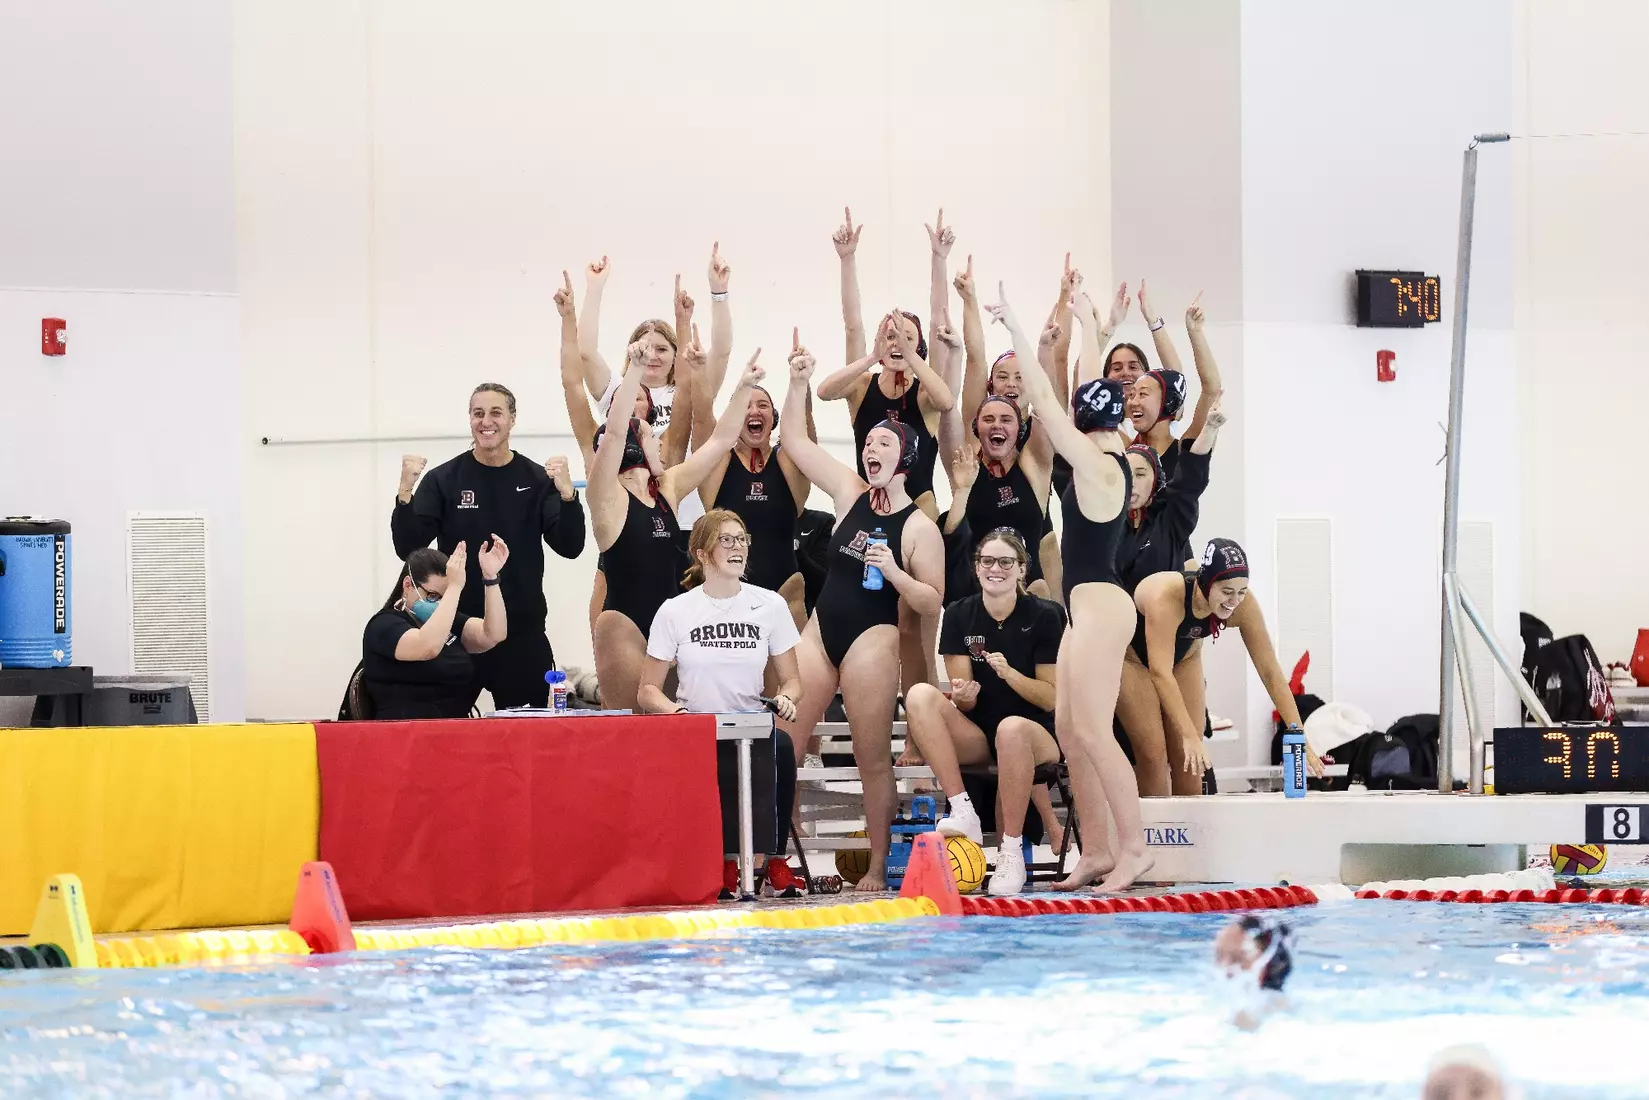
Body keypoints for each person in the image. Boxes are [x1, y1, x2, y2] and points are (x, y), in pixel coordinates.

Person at [983, 276, 1152, 893]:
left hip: (1104, 608)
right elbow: (1076, 397)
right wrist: (1089, 325)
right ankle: (1099, 850)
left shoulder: (1101, 465)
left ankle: (1134, 848)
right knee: (1071, 732)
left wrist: (1016, 331)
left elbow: (1047, 406)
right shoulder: (1104, 455)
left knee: (1095, 732)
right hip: (1088, 609)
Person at [781, 333, 945, 892]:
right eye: (868, 441)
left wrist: (897, 574)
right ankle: (777, 851)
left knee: (872, 757)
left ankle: (877, 867)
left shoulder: (920, 528)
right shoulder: (850, 492)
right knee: (784, 740)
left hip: (873, 637)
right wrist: (799, 382)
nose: (870, 450)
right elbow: (795, 441)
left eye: (883, 444)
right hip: (822, 630)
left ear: (904, 460)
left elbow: (932, 600)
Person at [587, 339, 763, 712]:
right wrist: (634, 369)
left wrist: (743, 387)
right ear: (633, 448)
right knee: (635, 732)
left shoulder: (666, 488)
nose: (662, 447)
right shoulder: (607, 500)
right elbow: (615, 433)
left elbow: (720, 441)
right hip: (623, 625)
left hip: (670, 622)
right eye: (652, 439)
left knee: (671, 734)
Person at [822, 208, 957, 690]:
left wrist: (939, 259)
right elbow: (832, 372)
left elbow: (945, 395)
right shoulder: (862, 388)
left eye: (906, 338)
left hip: (916, 504)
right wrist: (847, 258)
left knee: (912, 622)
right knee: (866, 611)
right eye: (891, 336)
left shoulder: (925, 393)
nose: (896, 342)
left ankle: (919, 709)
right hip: (867, 504)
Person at [639, 509, 806, 898]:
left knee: (780, 747)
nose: (737, 547)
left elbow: (793, 681)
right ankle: (724, 863)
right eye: (726, 540)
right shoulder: (675, 610)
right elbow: (647, 690)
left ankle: (774, 860)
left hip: (750, 724)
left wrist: (786, 699)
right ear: (702, 553)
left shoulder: (769, 606)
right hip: (696, 726)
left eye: (741, 538)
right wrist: (678, 715)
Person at [392, 384, 585, 709]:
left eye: (496, 412)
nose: (486, 421)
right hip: (458, 631)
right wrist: (404, 493)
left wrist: (568, 496)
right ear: (470, 420)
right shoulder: (444, 480)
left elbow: (570, 545)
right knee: (443, 739)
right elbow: (407, 547)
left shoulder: (537, 479)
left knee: (527, 744)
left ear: (512, 419)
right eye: (478, 413)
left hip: (521, 635)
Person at [903, 529, 1066, 896]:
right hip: (980, 734)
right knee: (919, 696)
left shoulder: (1045, 616)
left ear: (1022, 569)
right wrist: (965, 697)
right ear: (977, 569)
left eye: (1006, 562)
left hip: (1035, 733)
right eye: (987, 561)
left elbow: (1049, 698)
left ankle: (1011, 852)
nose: (996, 568)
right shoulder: (960, 614)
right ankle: (963, 809)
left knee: (1010, 729)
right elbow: (965, 699)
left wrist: (1009, 674)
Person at [577, 250, 731, 627]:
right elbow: (584, 352)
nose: (654, 356)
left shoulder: (688, 389)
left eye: (663, 349)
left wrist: (711, 301)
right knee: (612, 612)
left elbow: (722, 352)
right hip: (624, 520)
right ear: (631, 356)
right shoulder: (618, 392)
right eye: (645, 349)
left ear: (676, 354)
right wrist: (594, 288)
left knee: (685, 625)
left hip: (680, 514)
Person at [1123, 538, 1324, 795]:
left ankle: (1192, 832)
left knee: (1190, 761)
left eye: (1241, 591)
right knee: (1153, 754)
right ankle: (1153, 832)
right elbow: (1160, 672)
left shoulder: (1243, 605)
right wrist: (1189, 734)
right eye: (1227, 591)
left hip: (1184, 657)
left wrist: (1298, 734)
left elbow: (1270, 673)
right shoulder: (1167, 596)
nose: (1234, 601)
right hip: (1133, 658)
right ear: (1205, 582)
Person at [695, 328, 818, 631]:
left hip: (785, 593)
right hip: (727, 596)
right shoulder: (719, 462)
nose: (754, 410)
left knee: (791, 678)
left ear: (774, 418)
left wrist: (801, 381)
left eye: (762, 405)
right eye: (745, 405)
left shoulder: (787, 461)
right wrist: (701, 372)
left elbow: (805, 436)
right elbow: (702, 421)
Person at [362, 541, 510, 719]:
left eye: (444, 597)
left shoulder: (447, 622)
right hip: (404, 733)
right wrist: (454, 587)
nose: (439, 604)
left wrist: (491, 578)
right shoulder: (384, 625)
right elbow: (427, 647)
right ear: (408, 585)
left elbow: (493, 634)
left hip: (454, 729)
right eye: (432, 596)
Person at [1116, 405, 1223, 593]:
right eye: (1126, 475)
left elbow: (1190, 477)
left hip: (1164, 616)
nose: (1131, 482)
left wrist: (1209, 429)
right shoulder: (1110, 523)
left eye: (1140, 475)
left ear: (1156, 481)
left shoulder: (1169, 518)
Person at [1124, 292, 1224, 483]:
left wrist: (1195, 332)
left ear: (1166, 403)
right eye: (1132, 395)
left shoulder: (1185, 452)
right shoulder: (1124, 449)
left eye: (1143, 394)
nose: (1133, 402)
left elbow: (1211, 388)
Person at [1213, 914, 1294, 1032]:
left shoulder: (1248, 1014)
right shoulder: (1281, 1008)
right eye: (1219, 956)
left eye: (1237, 958)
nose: (1225, 968)